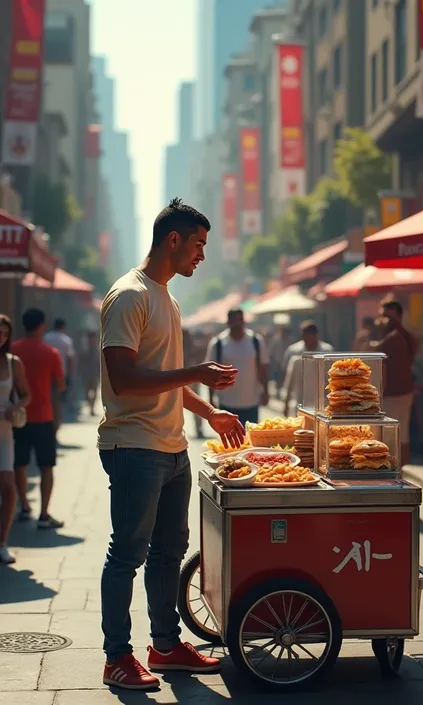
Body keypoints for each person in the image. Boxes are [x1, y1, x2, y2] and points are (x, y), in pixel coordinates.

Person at [98, 198, 245, 690]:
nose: (202, 256)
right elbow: (123, 378)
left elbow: (163, 379)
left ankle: (165, 645)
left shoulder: (168, 297)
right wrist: (198, 373)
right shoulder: (129, 295)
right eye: (198, 245)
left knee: (168, 551)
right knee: (128, 553)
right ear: (174, 240)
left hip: (171, 446)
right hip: (133, 446)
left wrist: (209, 411)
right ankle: (116, 656)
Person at [11, 308, 66, 529]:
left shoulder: (13, 350)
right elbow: (60, 385)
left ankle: (24, 506)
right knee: (46, 466)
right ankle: (44, 514)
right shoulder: (50, 352)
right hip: (44, 416)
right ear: (41, 325)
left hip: (18, 416)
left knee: (19, 464)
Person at [372, 300, 417, 468]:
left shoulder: (392, 338)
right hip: (405, 391)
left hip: (393, 393)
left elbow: (382, 367)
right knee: (403, 433)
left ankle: (394, 470)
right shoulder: (407, 336)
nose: (382, 320)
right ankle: (399, 471)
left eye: (385, 316)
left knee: (389, 436)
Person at [206, 308, 269, 427]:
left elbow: (263, 368)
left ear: (244, 321)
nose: (237, 323)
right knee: (231, 442)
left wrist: (266, 391)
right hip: (227, 403)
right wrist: (211, 398)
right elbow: (211, 372)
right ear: (228, 322)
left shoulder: (255, 341)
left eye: (240, 320)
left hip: (251, 402)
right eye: (234, 320)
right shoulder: (218, 343)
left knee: (251, 441)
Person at [0, 315, 30, 564]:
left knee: (9, 489)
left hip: (5, 432)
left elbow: (26, 394)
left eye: (5, 332)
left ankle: (3, 542)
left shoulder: (13, 362)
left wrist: (15, 406)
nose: (1, 336)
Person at [283, 322, 332, 416]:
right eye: (306, 335)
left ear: (316, 335)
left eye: (311, 335)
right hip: (300, 405)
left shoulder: (327, 352)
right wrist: (286, 404)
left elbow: (332, 380)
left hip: (323, 406)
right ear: (302, 336)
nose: (309, 338)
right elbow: (289, 381)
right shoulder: (294, 352)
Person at [44, 318, 75, 432]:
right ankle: (55, 428)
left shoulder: (46, 337)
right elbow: (70, 359)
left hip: (45, 376)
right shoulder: (66, 340)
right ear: (63, 327)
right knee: (57, 404)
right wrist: (70, 376)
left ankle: (49, 427)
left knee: (47, 402)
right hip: (60, 376)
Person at [182, 328, 204, 438]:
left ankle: (198, 428)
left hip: (189, 377)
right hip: (183, 377)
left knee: (195, 402)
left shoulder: (190, 347)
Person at [79, 330, 100, 416]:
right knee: (87, 393)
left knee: (94, 392)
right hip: (86, 374)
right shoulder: (84, 350)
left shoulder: (98, 350)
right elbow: (80, 362)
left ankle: (92, 408)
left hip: (95, 374)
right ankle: (89, 403)